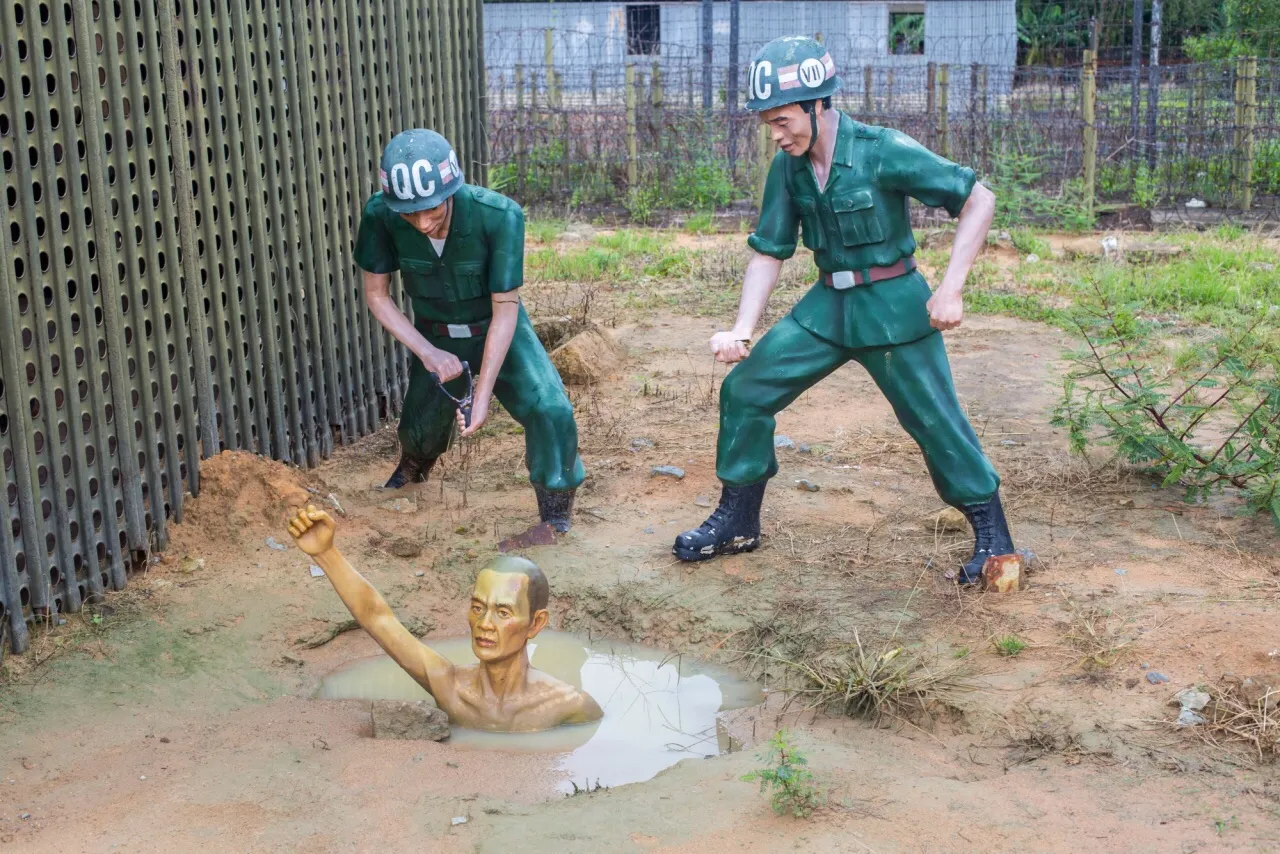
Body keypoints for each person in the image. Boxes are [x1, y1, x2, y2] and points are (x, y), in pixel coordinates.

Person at [673, 36, 1016, 584]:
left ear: (818, 104)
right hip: (828, 308)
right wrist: (742, 328)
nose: (776, 135)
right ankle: (738, 520)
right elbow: (769, 250)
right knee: (746, 391)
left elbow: (979, 199)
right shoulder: (789, 167)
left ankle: (994, 539)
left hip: (893, 309)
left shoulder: (883, 149)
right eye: (768, 125)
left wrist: (951, 289)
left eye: (783, 120)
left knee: (935, 421)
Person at [354, 129, 585, 532]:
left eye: (433, 210)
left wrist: (482, 394)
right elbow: (377, 295)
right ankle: (414, 467)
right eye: (410, 213)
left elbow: (505, 310)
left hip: (497, 326)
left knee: (550, 409)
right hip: (435, 333)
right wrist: (428, 352)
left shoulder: (500, 215)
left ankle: (556, 508)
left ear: (451, 188)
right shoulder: (380, 214)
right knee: (421, 426)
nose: (422, 222)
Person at [288, 505, 603, 732]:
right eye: (478, 607)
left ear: (536, 624)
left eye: (503, 612)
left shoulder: (571, 706)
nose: (485, 623)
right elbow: (378, 618)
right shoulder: (450, 687)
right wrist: (326, 553)